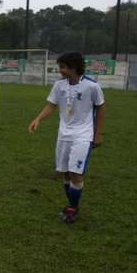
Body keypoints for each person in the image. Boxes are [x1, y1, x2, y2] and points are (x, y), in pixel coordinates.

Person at [28, 52, 106, 223]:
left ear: (74, 67)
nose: (60, 71)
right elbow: (51, 105)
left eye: (63, 67)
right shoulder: (59, 85)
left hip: (83, 135)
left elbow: (101, 108)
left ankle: (72, 208)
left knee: (75, 173)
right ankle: (72, 205)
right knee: (64, 173)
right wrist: (37, 119)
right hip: (64, 134)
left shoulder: (92, 86)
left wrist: (98, 134)